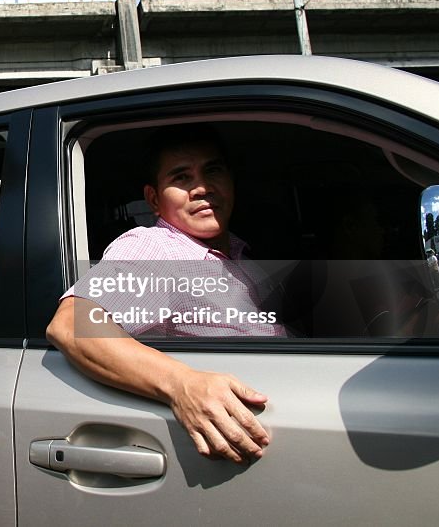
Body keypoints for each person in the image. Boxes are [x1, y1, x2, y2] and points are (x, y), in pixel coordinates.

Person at [47, 124, 285, 464]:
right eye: (182, 178)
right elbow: (72, 325)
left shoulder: (240, 251)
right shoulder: (155, 249)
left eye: (213, 170)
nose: (202, 188)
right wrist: (181, 385)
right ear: (154, 200)